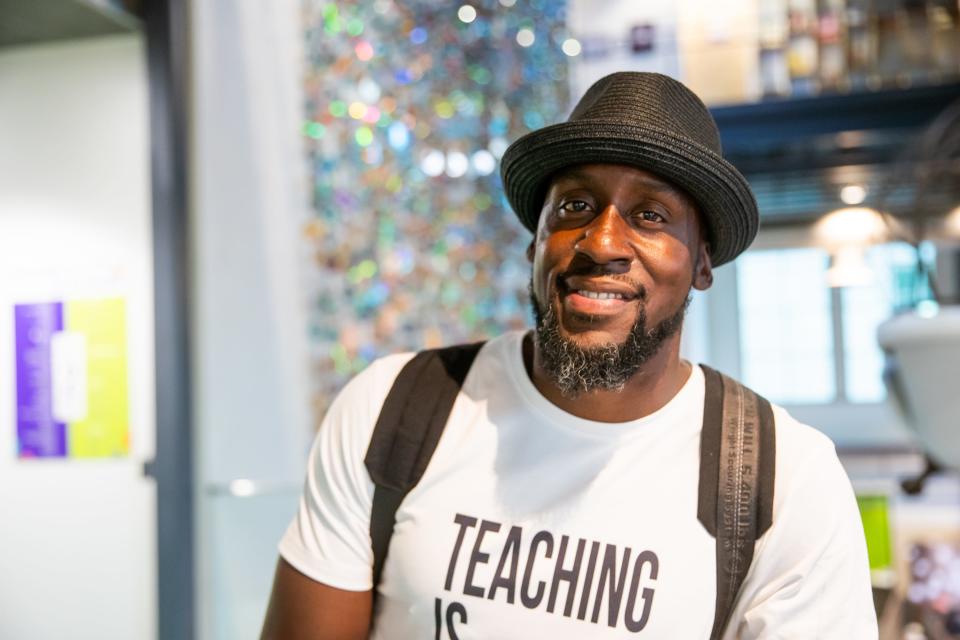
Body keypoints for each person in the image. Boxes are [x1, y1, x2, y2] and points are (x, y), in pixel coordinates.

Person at [261, 72, 878, 639]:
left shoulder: (785, 481)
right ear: (536, 241)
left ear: (702, 262)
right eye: (575, 206)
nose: (602, 242)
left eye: (651, 215)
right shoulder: (393, 409)